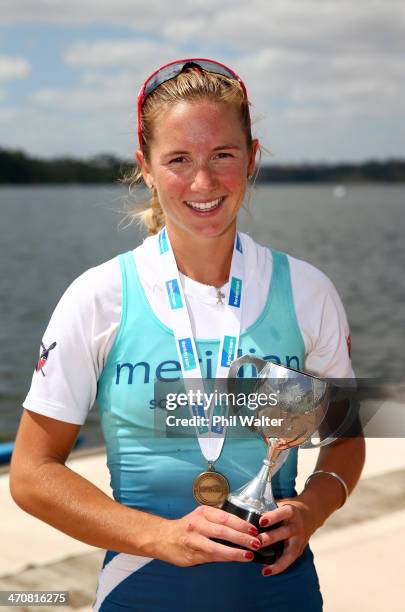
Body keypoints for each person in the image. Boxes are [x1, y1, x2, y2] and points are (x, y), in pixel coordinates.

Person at [10, 58, 365, 611]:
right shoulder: (98, 297)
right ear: (146, 168)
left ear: (251, 158)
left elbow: (345, 440)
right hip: (141, 590)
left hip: (281, 591)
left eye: (222, 154)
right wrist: (158, 536)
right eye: (178, 159)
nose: (203, 182)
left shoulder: (307, 292)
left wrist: (313, 508)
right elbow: (32, 475)